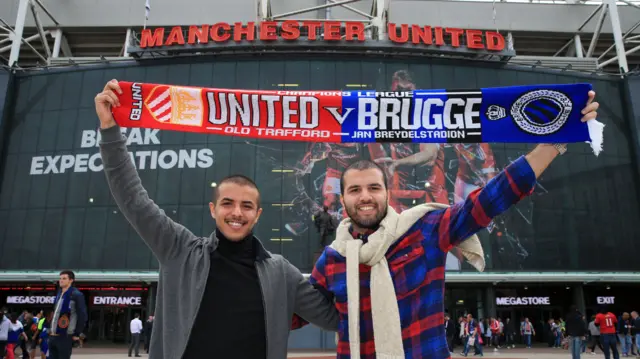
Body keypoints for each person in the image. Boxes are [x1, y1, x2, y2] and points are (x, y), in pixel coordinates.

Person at [292, 89, 599, 358]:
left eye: (374, 188)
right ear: (342, 199)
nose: (365, 197)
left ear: (387, 191)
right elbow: (296, 313)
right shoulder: (332, 260)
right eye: (355, 190)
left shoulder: (426, 229)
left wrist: (555, 142)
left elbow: (492, 197)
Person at [95, 79, 339, 359]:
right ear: (213, 209)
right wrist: (110, 130)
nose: (237, 212)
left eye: (246, 206)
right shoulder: (179, 251)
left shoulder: (281, 273)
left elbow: (333, 318)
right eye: (228, 203)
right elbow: (133, 200)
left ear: (257, 215)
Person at [48, 271, 87, 359]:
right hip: (53, 335)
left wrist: (77, 333)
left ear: (71, 280)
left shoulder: (76, 295)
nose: (61, 280)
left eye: (64, 278)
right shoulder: (59, 293)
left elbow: (82, 315)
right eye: (60, 278)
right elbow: (55, 314)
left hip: (65, 335)